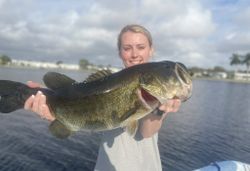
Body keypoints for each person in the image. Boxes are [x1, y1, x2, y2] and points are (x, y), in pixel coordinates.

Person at [24, 24, 181, 171]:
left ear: (151, 50)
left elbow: (146, 133)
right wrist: (42, 97)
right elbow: (76, 96)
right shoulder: (105, 82)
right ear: (120, 52)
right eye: (127, 48)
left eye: (141, 47)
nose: (134, 54)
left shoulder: (158, 87)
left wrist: (159, 111)